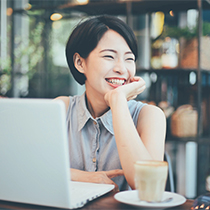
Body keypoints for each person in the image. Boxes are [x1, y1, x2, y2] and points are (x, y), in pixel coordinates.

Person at [55, 15, 166, 191]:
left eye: (129, 59)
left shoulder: (150, 116)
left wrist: (118, 101)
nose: (121, 68)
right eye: (109, 56)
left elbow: (148, 186)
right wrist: (85, 177)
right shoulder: (61, 109)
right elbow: (28, 166)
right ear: (79, 63)